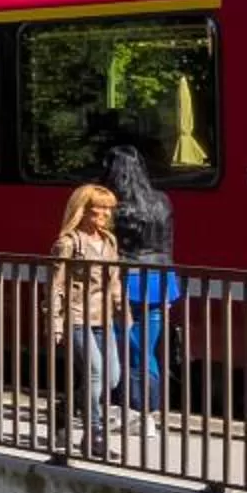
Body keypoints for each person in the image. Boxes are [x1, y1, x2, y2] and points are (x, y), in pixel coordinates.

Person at [101, 145, 177, 446]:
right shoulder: (162, 201)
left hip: (126, 283)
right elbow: (167, 245)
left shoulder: (113, 206)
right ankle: (148, 412)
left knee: (127, 350)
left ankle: (137, 413)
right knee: (147, 349)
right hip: (160, 280)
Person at [49, 182, 123, 459]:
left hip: (103, 317)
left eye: (108, 209)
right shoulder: (68, 243)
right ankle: (95, 435)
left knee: (112, 378)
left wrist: (122, 310)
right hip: (77, 315)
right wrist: (55, 323)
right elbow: (55, 286)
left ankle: (66, 408)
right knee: (95, 371)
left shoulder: (109, 241)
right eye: (98, 209)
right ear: (83, 210)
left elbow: (114, 280)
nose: (105, 214)